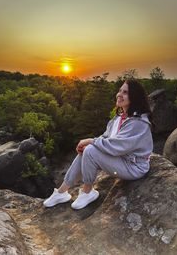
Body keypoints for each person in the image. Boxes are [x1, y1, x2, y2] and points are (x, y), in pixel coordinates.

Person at [43, 78, 154, 210]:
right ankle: (61, 192)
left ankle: (88, 191)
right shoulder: (119, 118)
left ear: (134, 97)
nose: (119, 94)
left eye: (125, 92)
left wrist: (90, 141)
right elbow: (105, 138)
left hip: (134, 166)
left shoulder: (138, 122)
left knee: (91, 149)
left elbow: (115, 146)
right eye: (119, 91)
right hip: (121, 159)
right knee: (87, 150)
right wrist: (90, 143)